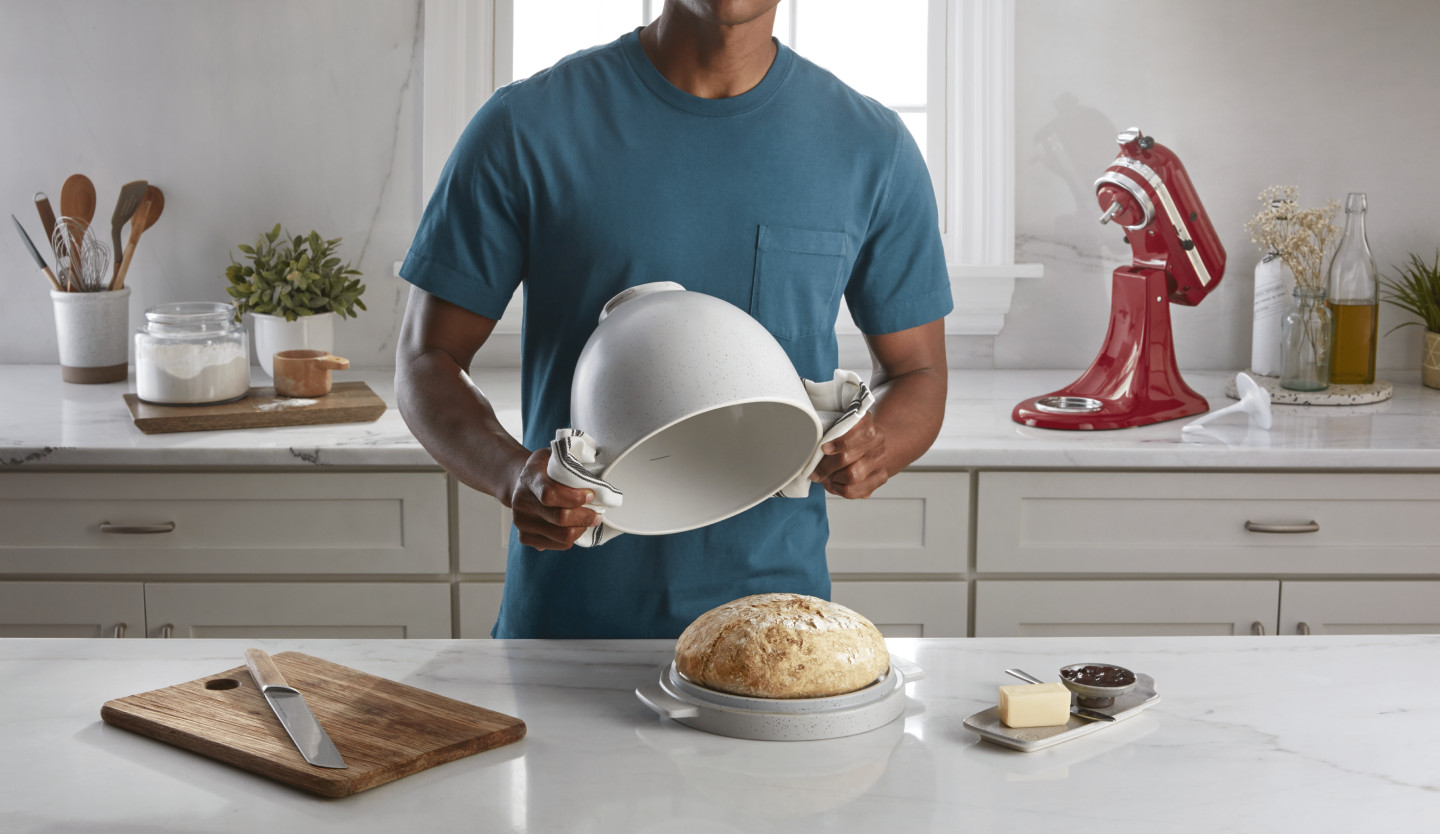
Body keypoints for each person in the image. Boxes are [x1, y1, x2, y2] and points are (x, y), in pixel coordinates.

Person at [395, 0, 952, 638]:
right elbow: (426, 357)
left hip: (776, 634)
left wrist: (876, 444)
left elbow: (919, 372)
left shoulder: (871, 146)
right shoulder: (525, 125)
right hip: (568, 625)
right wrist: (510, 473)